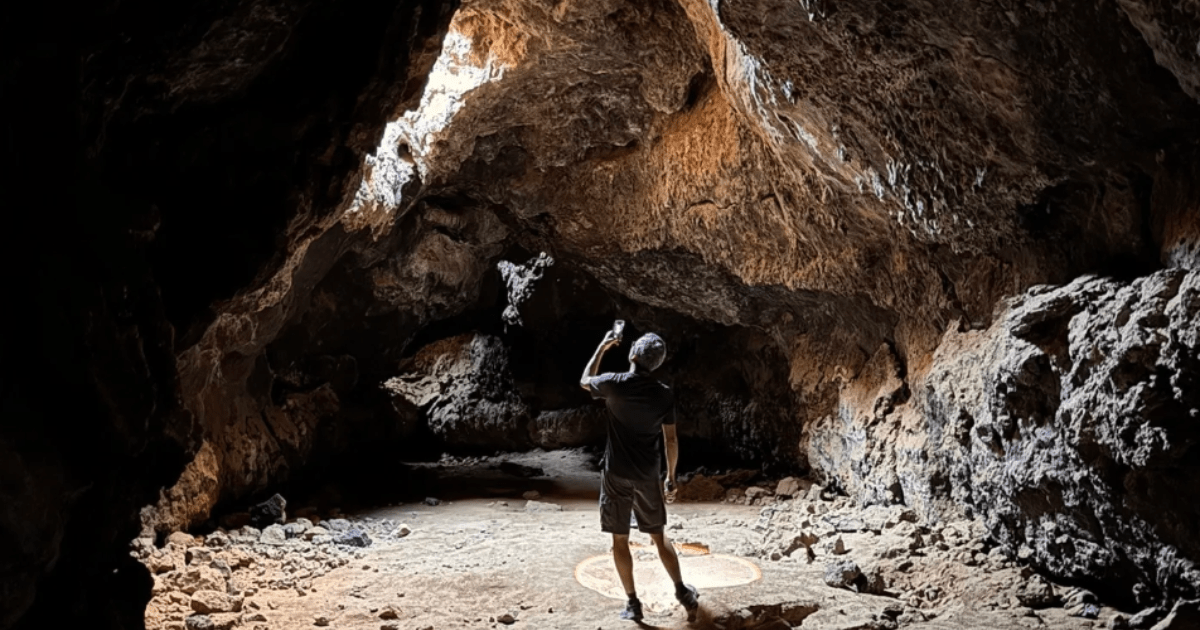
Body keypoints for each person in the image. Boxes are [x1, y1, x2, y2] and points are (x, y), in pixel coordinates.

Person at [580, 328, 700, 622]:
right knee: (658, 536)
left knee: (619, 539)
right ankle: (682, 591)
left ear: (633, 354)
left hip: (616, 473)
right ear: (656, 364)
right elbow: (671, 440)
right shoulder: (664, 394)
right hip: (648, 474)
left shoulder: (614, 383)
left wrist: (603, 347)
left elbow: (584, 380)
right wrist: (671, 476)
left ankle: (633, 603)